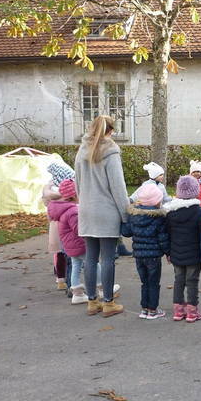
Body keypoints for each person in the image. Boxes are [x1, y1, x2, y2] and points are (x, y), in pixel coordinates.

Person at [75, 115, 129, 318]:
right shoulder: (111, 152)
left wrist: (84, 203)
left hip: (87, 210)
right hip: (106, 211)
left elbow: (77, 183)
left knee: (90, 258)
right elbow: (118, 188)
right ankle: (108, 303)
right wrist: (126, 214)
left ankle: (92, 302)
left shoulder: (82, 151)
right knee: (107, 258)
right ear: (111, 131)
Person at [120, 184, 168, 320]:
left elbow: (126, 232)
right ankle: (153, 309)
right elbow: (163, 238)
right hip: (153, 256)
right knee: (153, 283)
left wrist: (124, 221)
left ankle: (144, 309)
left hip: (138, 256)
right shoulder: (159, 217)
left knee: (144, 282)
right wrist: (168, 252)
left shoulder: (134, 215)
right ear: (157, 201)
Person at [164, 175, 201, 323]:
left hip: (176, 253)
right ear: (195, 192)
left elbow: (168, 234)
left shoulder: (171, 213)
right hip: (194, 254)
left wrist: (168, 252)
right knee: (192, 281)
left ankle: (178, 310)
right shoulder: (200, 213)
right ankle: (192, 311)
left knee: (179, 280)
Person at [46, 178, 88, 304]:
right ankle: (101, 286)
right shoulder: (72, 211)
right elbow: (78, 229)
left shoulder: (62, 210)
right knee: (93, 264)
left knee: (75, 266)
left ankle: (75, 291)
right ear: (74, 195)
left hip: (68, 245)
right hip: (79, 244)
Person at [43, 161, 75, 291]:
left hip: (54, 225)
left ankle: (60, 279)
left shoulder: (49, 193)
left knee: (58, 253)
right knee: (68, 253)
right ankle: (70, 281)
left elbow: (45, 201)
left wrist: (46, 189)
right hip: (66, 226)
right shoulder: (67, 193)